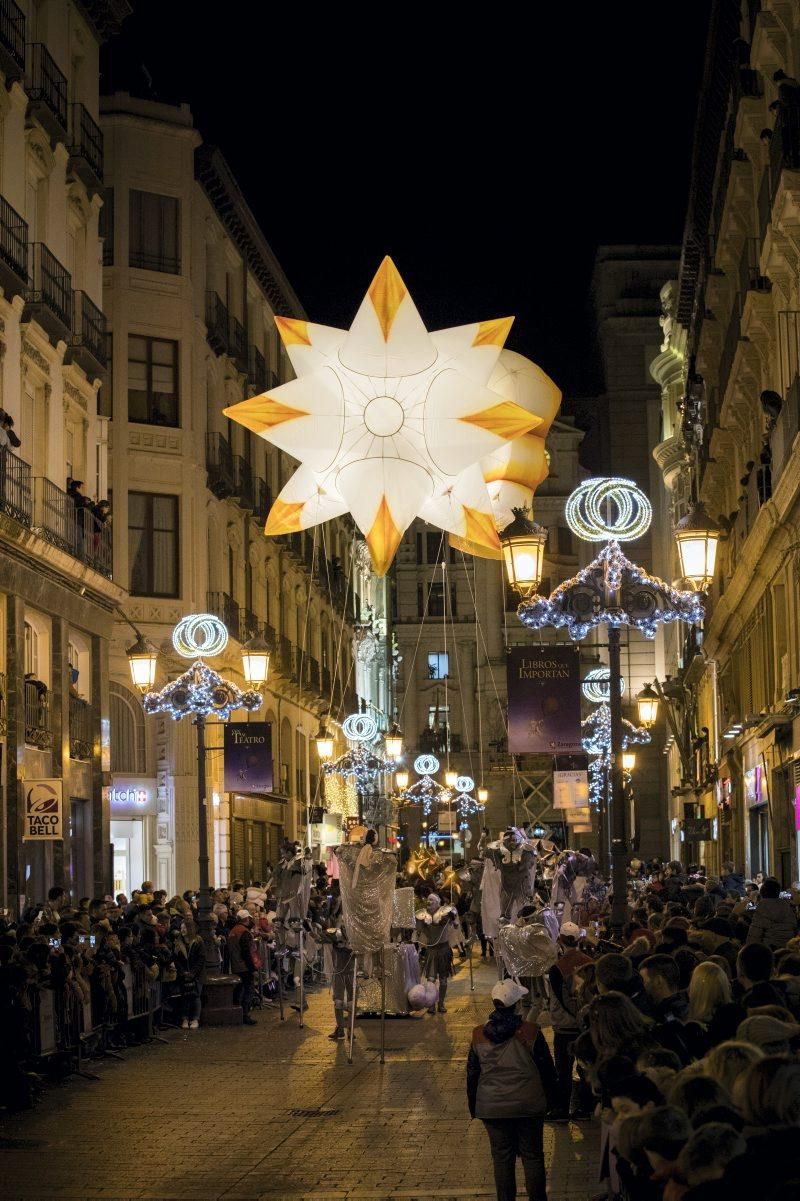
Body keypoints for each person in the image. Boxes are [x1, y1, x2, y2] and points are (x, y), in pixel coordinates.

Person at [467, 979, 556, 1201]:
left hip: (493, 1107)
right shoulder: (531, 1031)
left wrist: (475, 1106)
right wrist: (550, 1100)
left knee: (501, 1158)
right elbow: (547, 1069)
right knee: (533, 1156)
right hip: (529, 1104)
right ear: (517, 1005)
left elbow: (472, 1074)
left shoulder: (478, 1035)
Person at [546, 920, 592, 1120]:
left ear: (560, 939)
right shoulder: (590, 961)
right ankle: (585, 1109)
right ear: (579, 939)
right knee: (585, 1066)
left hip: (565, 1027)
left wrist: (575, 1013)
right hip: (585, 1026)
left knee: (563, 1069)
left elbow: (563, 999)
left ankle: (561, 1109)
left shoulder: (558, 968)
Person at [416, 891, 456, 1014]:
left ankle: (441, 1003)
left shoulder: (445, 913)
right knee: (431, 980)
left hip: (444, 950)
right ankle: (431, 1003)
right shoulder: (424, 915)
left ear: (438, 903)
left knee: (443, 979)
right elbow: (423, 931)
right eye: (428, 899)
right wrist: (421, 923)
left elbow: (455, 924)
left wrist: (452, 916)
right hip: (431, 950)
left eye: (432, 900)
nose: (429, 902)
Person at [745, 877, 797, 949]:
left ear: (762, 893)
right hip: (788, 948)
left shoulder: (762, 908)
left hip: (769, 949)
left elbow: (754, 936)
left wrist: (749, 951)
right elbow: (794, 929)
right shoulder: (787, 908)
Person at [227, 908, 257, 1024]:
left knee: (238, 990)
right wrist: (252, 968)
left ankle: (237, 1013)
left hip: (235, 965)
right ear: (246, 919)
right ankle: (245, 1014)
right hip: (244, 966)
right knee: (248, 990)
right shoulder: (244, 932)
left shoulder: (233, 931)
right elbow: (246, 952)